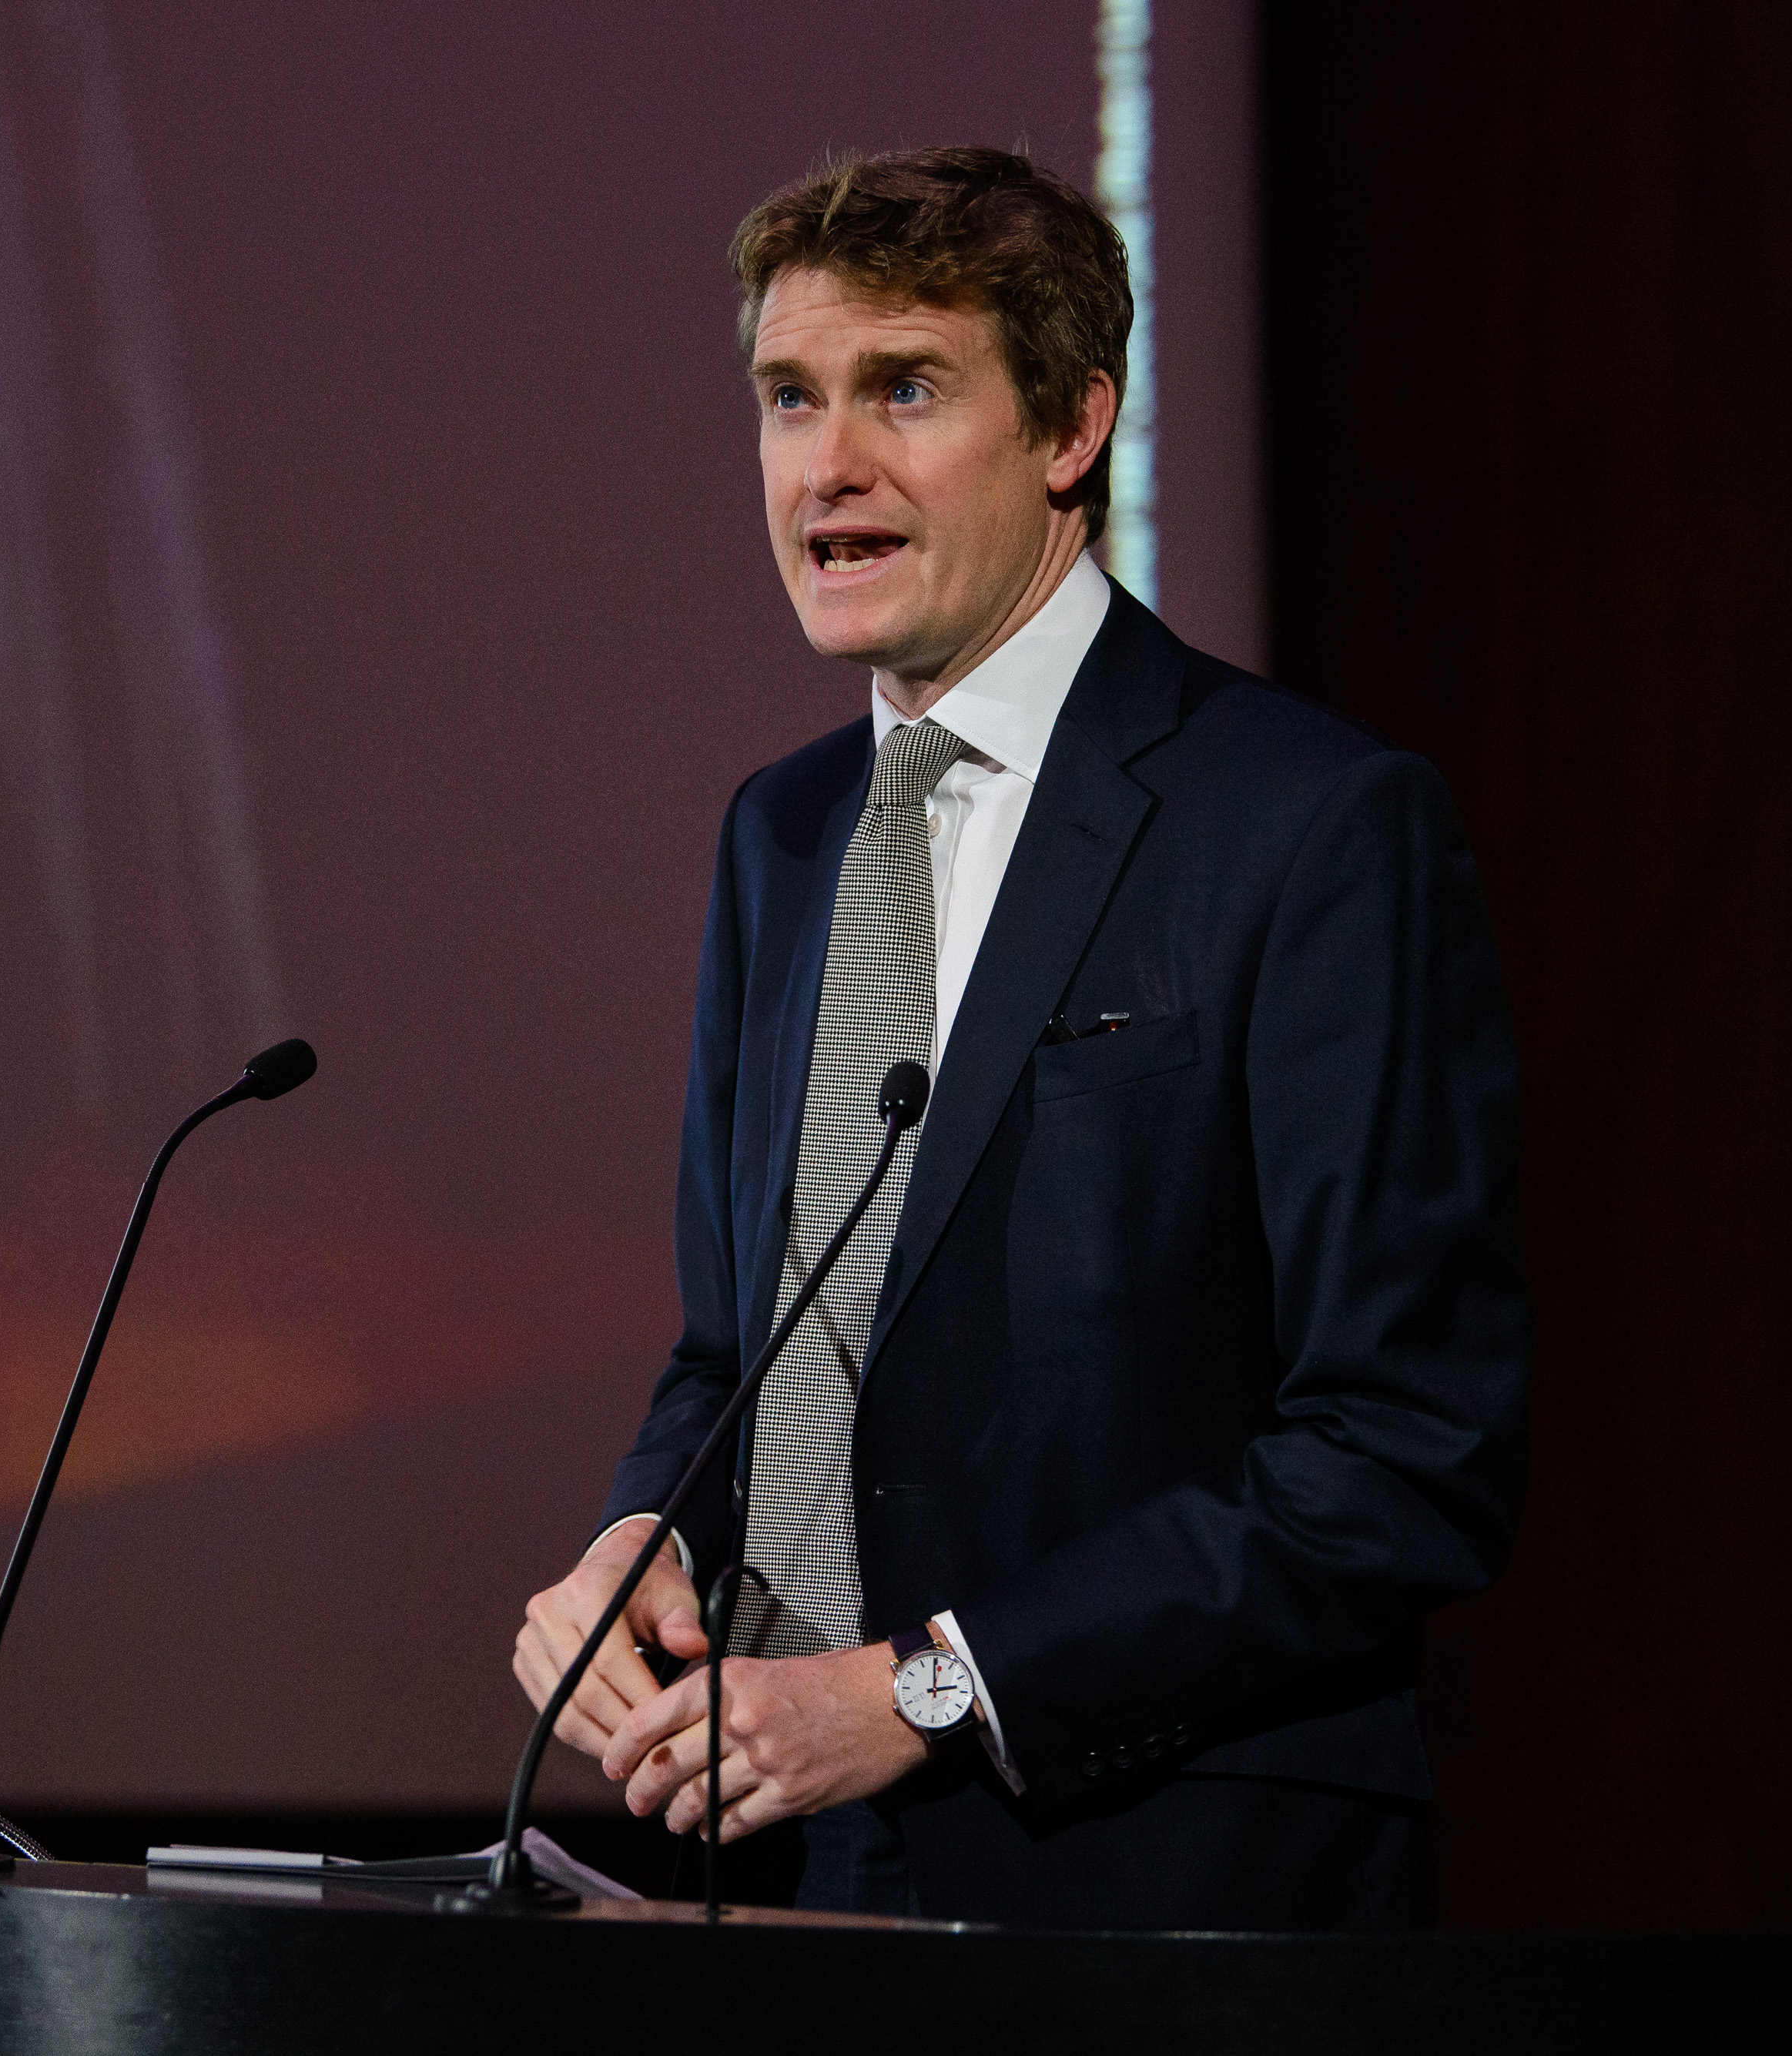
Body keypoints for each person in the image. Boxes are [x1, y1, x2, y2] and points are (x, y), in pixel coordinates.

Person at [511, 145, 1529, 1930]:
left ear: (1070, 426)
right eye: (787, 398)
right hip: (791, 1865)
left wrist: (922, 1690)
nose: (826, 466)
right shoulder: (784, 833)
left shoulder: (1304, 826)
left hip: (1161, 1893)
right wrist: (647, 1541)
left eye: (902, 390)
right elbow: (730, 1359)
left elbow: (1401, 1456)